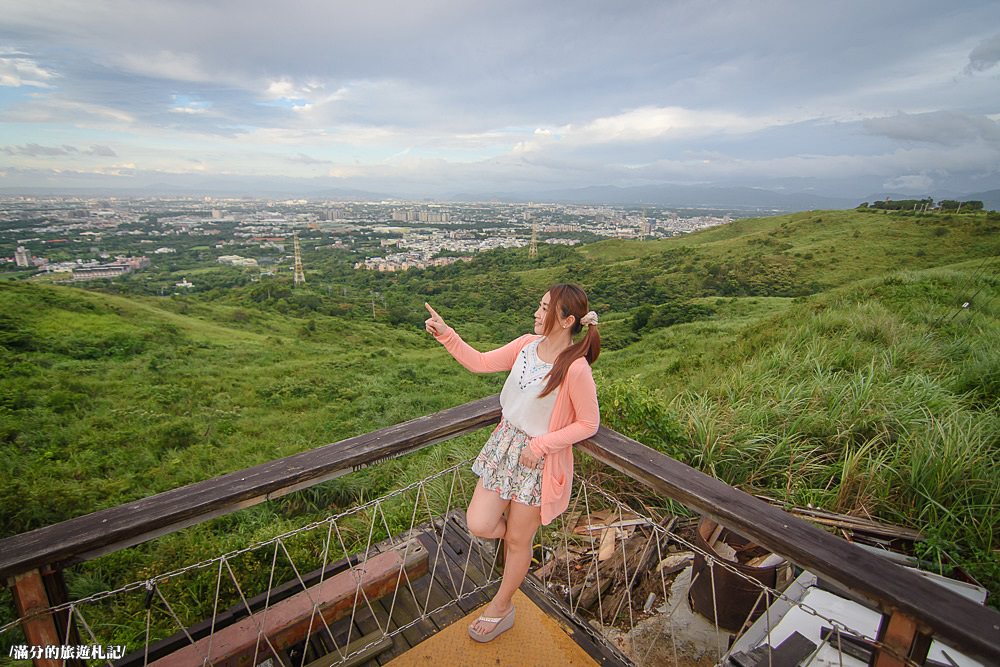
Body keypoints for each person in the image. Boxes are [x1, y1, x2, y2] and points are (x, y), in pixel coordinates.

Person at [423, 284, 601, 642]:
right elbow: (481, 362)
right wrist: (447, 334)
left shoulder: (575, 369)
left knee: (518, 543)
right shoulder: (525, 346)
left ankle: (502, 605)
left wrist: (542, 445)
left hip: (538, 461)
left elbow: (588, 423)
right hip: (505, 447)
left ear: (567, 320)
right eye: (539, 305)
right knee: (479, 522)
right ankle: (521, 542)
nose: (537, 313)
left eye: (545, 308)